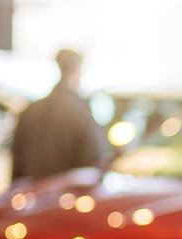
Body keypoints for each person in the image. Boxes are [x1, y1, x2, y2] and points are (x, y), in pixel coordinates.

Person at [11, 49, 110, 181]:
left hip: (33, 194)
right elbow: (92, 162)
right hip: (67, 195)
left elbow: (17, 161)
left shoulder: (31, 110)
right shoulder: (81, 113)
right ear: (78, 71)